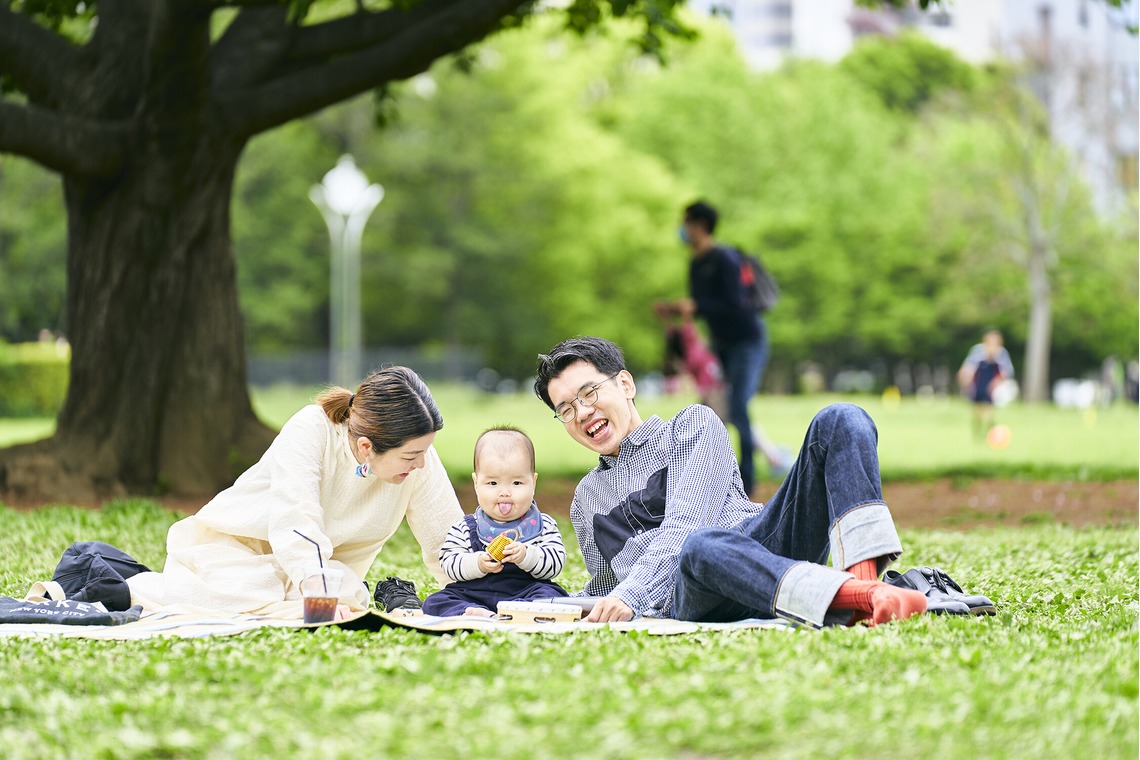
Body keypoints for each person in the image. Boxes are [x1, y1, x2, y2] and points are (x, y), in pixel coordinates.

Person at [533, 336, 929, 627]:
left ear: (625, 385)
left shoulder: (692, 426)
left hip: (763, 548)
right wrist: (533, 599)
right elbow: (604, 585)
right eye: (566, 409)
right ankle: (859, 598)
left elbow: (686, 525)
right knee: (700, 548)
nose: (582, 412)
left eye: (589, 393)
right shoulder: (586, 498)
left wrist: (630, 595)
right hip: (694, 593)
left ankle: (866, 594)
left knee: (841, 418)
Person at [126, 366, 463, 619]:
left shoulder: (418, 455)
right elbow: (295, 517)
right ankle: (121, 584)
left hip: (319, 570)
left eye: (424, 452)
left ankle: (294, 602)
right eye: (411, 456)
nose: (421, 463)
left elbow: (447, 537)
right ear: (366, 446)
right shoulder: (312, 428)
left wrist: (475, 594)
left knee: (349, 595)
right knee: (237, 594)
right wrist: (317, 593)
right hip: (238, 550)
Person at [669, 200, 779, 494]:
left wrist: (697, 305)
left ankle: (747, 478)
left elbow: (735, 304)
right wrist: (675, 309)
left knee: (738, 406)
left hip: (747, 342)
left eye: (686, 223)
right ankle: (716, 474)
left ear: (700, 226)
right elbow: (704, 308)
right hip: (722, 345)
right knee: (716, 408)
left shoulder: (726, 259)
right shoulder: (696, 263)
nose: (682, 230)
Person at [422, 426, 568, 617]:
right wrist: (478, 563)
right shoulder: (465, 527)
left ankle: (514, 612)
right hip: (474, 593)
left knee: (552, 596)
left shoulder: (542, 525)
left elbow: (555, 563)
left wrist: (526, 555)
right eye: (492, 483)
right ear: (476, 483)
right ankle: (480, 613)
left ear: (533, 482)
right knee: (436, 602)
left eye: (517, 483)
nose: (504, 492)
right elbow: (449, 563)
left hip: (526, 591)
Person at [957, 329, 1014, 437]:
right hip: (979, 382)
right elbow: (968, 367)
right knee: (977, 409)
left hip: (993, 384)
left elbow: (1007, 371)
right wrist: (965, 378)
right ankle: (977, 433)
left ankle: (990, 433)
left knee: (990, 410)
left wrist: (996, 383)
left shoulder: (1001, 353)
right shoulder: (978, 351)